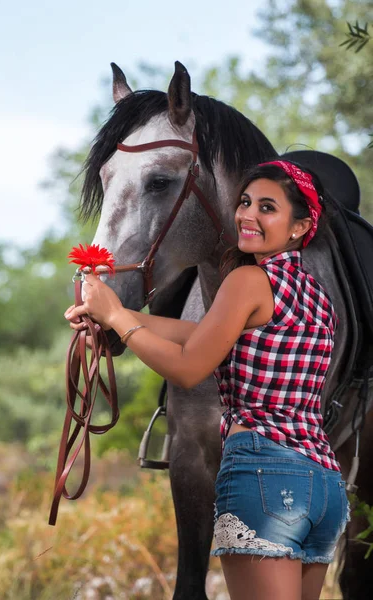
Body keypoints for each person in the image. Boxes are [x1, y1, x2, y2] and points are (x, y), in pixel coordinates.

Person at [65, 160, 349, 600]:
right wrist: (108, 316)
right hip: (323, 484)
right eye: (245, 202)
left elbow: (189, 367)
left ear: (300, 226)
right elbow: (206, 335)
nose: (247, 215)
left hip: (264, 473)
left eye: (267, 207)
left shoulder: (247, 281)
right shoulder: (315, 294)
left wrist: (119, 316)